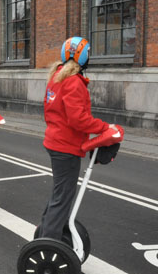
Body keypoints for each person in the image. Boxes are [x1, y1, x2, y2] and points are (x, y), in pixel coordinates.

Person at [38, 36, 118, 240]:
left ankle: (47, 230)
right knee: (63, 196)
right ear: (82, 57)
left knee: (60, 193)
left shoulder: (57, 77)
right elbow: (78, 120)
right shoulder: (74, 82)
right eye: (88, 53)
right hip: (66, 147)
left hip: (56, 142)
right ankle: (49, 242)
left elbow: (52, 113)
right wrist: (104, 127)